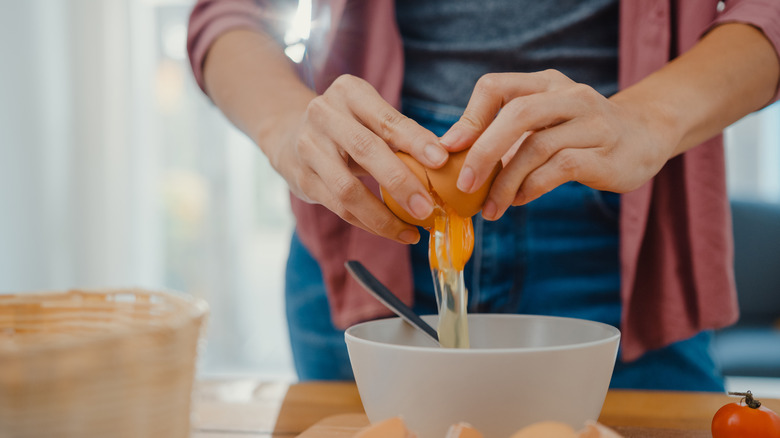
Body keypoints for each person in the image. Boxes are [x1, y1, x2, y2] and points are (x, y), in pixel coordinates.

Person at [187, 0, 780, 389]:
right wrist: (287, 127)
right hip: (371, 213)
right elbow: (231, 13)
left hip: (623, 228)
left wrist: (650, 119)